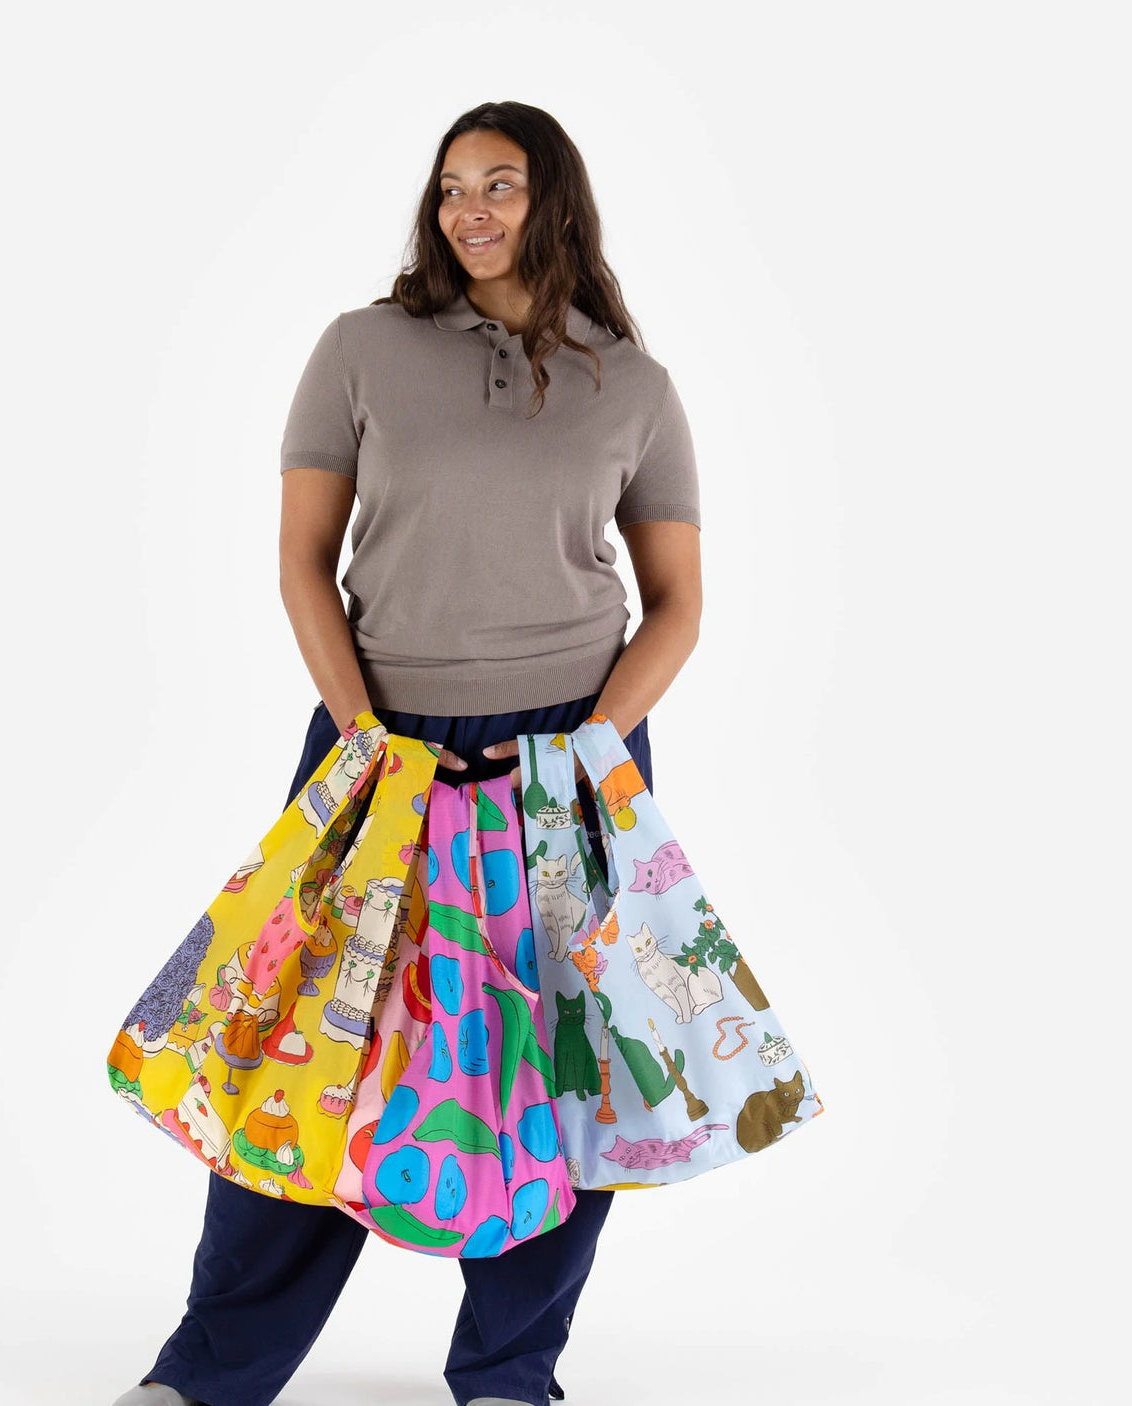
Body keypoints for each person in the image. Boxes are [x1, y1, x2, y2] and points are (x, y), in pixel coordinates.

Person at [115, 98, 703, 1406]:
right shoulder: (361, 349)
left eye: (499, 183)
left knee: (555, 1073)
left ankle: (508, 1371)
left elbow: (674, 602)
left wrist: (587, 749)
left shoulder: (637, 384)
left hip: (568, 758)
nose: (469, 210)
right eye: (449, 188)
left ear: (556, 201)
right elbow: (300, 561)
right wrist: (363, 732)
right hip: (376, 744)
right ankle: (211, 1368)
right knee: (309, 1054)